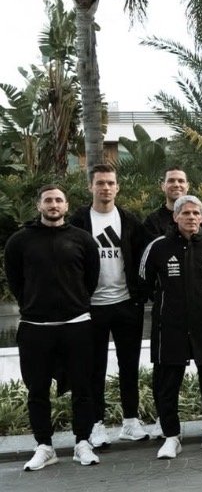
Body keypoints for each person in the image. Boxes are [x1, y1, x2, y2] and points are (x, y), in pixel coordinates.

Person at [5, 184, 100, 471]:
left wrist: (76, 303)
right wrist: (33, 305)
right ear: (39, 206)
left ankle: (82, 443)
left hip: (77, 326)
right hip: (35, 327)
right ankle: (44, 446)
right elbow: (15, 281)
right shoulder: (19, 241)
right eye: (48, 200)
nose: (53, 204)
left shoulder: (82, 239)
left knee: (83, 388)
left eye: (59, 200)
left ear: (66, 206)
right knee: (37, 390)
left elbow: (91, 279)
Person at [139, 195, 202, 458]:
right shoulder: (158, 247)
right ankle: (171, 436)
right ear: (175, 217)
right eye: (186, 213)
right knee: (167, 384)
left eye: (196, 213)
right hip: (170, 328)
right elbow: (144, 283)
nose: (191, 217)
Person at [70, 163, 150, 447]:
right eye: (100, 183)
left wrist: (141, 294)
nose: (105, 188)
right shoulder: (78, 221)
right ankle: (96, 424)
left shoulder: (130, 221)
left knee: (129, 365)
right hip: (91, 306)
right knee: (94, 368)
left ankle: (130, 421)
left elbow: (143, 259)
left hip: (126, 303)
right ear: (90, 187)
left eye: (110, 183)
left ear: (117, 187)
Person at [144, 168, 202, 237]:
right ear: (163, 186)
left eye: (181, 181)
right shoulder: (153, 221)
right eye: (171, 181)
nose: (176, 185)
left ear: (187, 186)